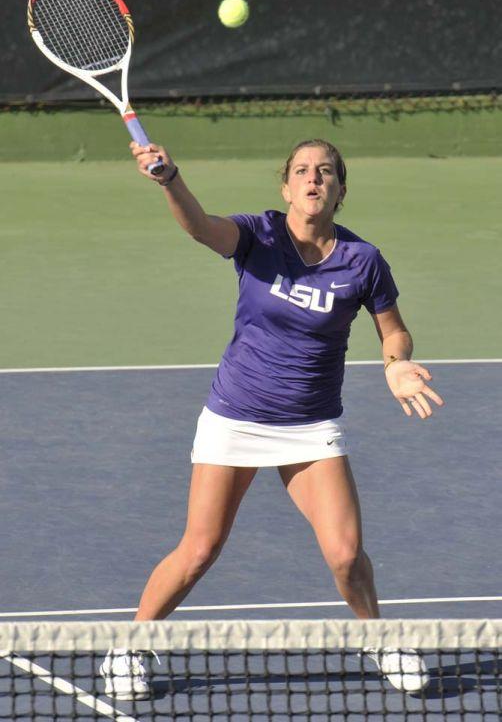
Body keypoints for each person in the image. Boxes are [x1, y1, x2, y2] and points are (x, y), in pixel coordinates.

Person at [100, 138, 444, 699]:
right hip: (236, 415)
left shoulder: (363, 261)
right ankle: (130, 647)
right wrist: (170, 180)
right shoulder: (257, 235)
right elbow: (200, 227)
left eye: (325, 172)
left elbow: (393, 328)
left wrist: (397, 362)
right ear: (286, 189)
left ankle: (383, 641)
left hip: (310, 427)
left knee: (346, 554)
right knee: (199, 550)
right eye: (303, 172)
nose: (313, 179)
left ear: (340, 190)